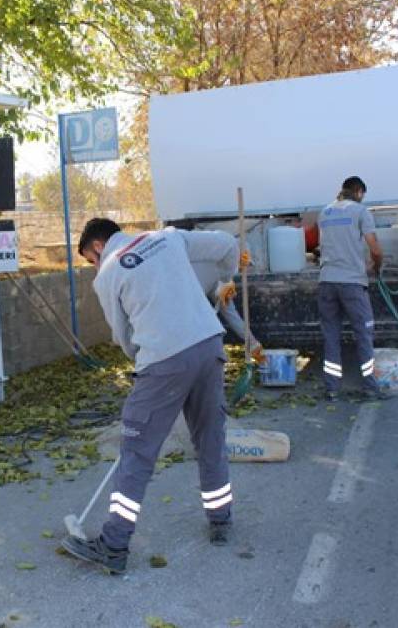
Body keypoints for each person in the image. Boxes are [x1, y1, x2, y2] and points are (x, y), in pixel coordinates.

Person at [61, 218, 236, 574]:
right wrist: (225, 282)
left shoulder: (108, 272)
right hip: (208, 345)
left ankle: (113, 545)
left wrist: (146, 364)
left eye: (89, 259)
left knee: (137, 453)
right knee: (209, 435)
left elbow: (123, 338)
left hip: (163, 360)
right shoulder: (166, 238)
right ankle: (221, 519)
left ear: (97, 247)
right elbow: (226, 245)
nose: (93, 265)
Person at [317, 176, 389, 403]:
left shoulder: (325, 213)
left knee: (331, 335)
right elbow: (375, 249)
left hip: (326, 282)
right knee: (363, 333)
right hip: (352, 283)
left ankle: (332, 389)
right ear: (358, 191)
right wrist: (376, 268)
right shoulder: (360, 211)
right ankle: (370, 387)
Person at [192, 251, 264, 361]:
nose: (241, 271)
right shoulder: (204, 269)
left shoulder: (222, 278)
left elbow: (232, 315)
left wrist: (252, 343)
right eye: (241, 266)